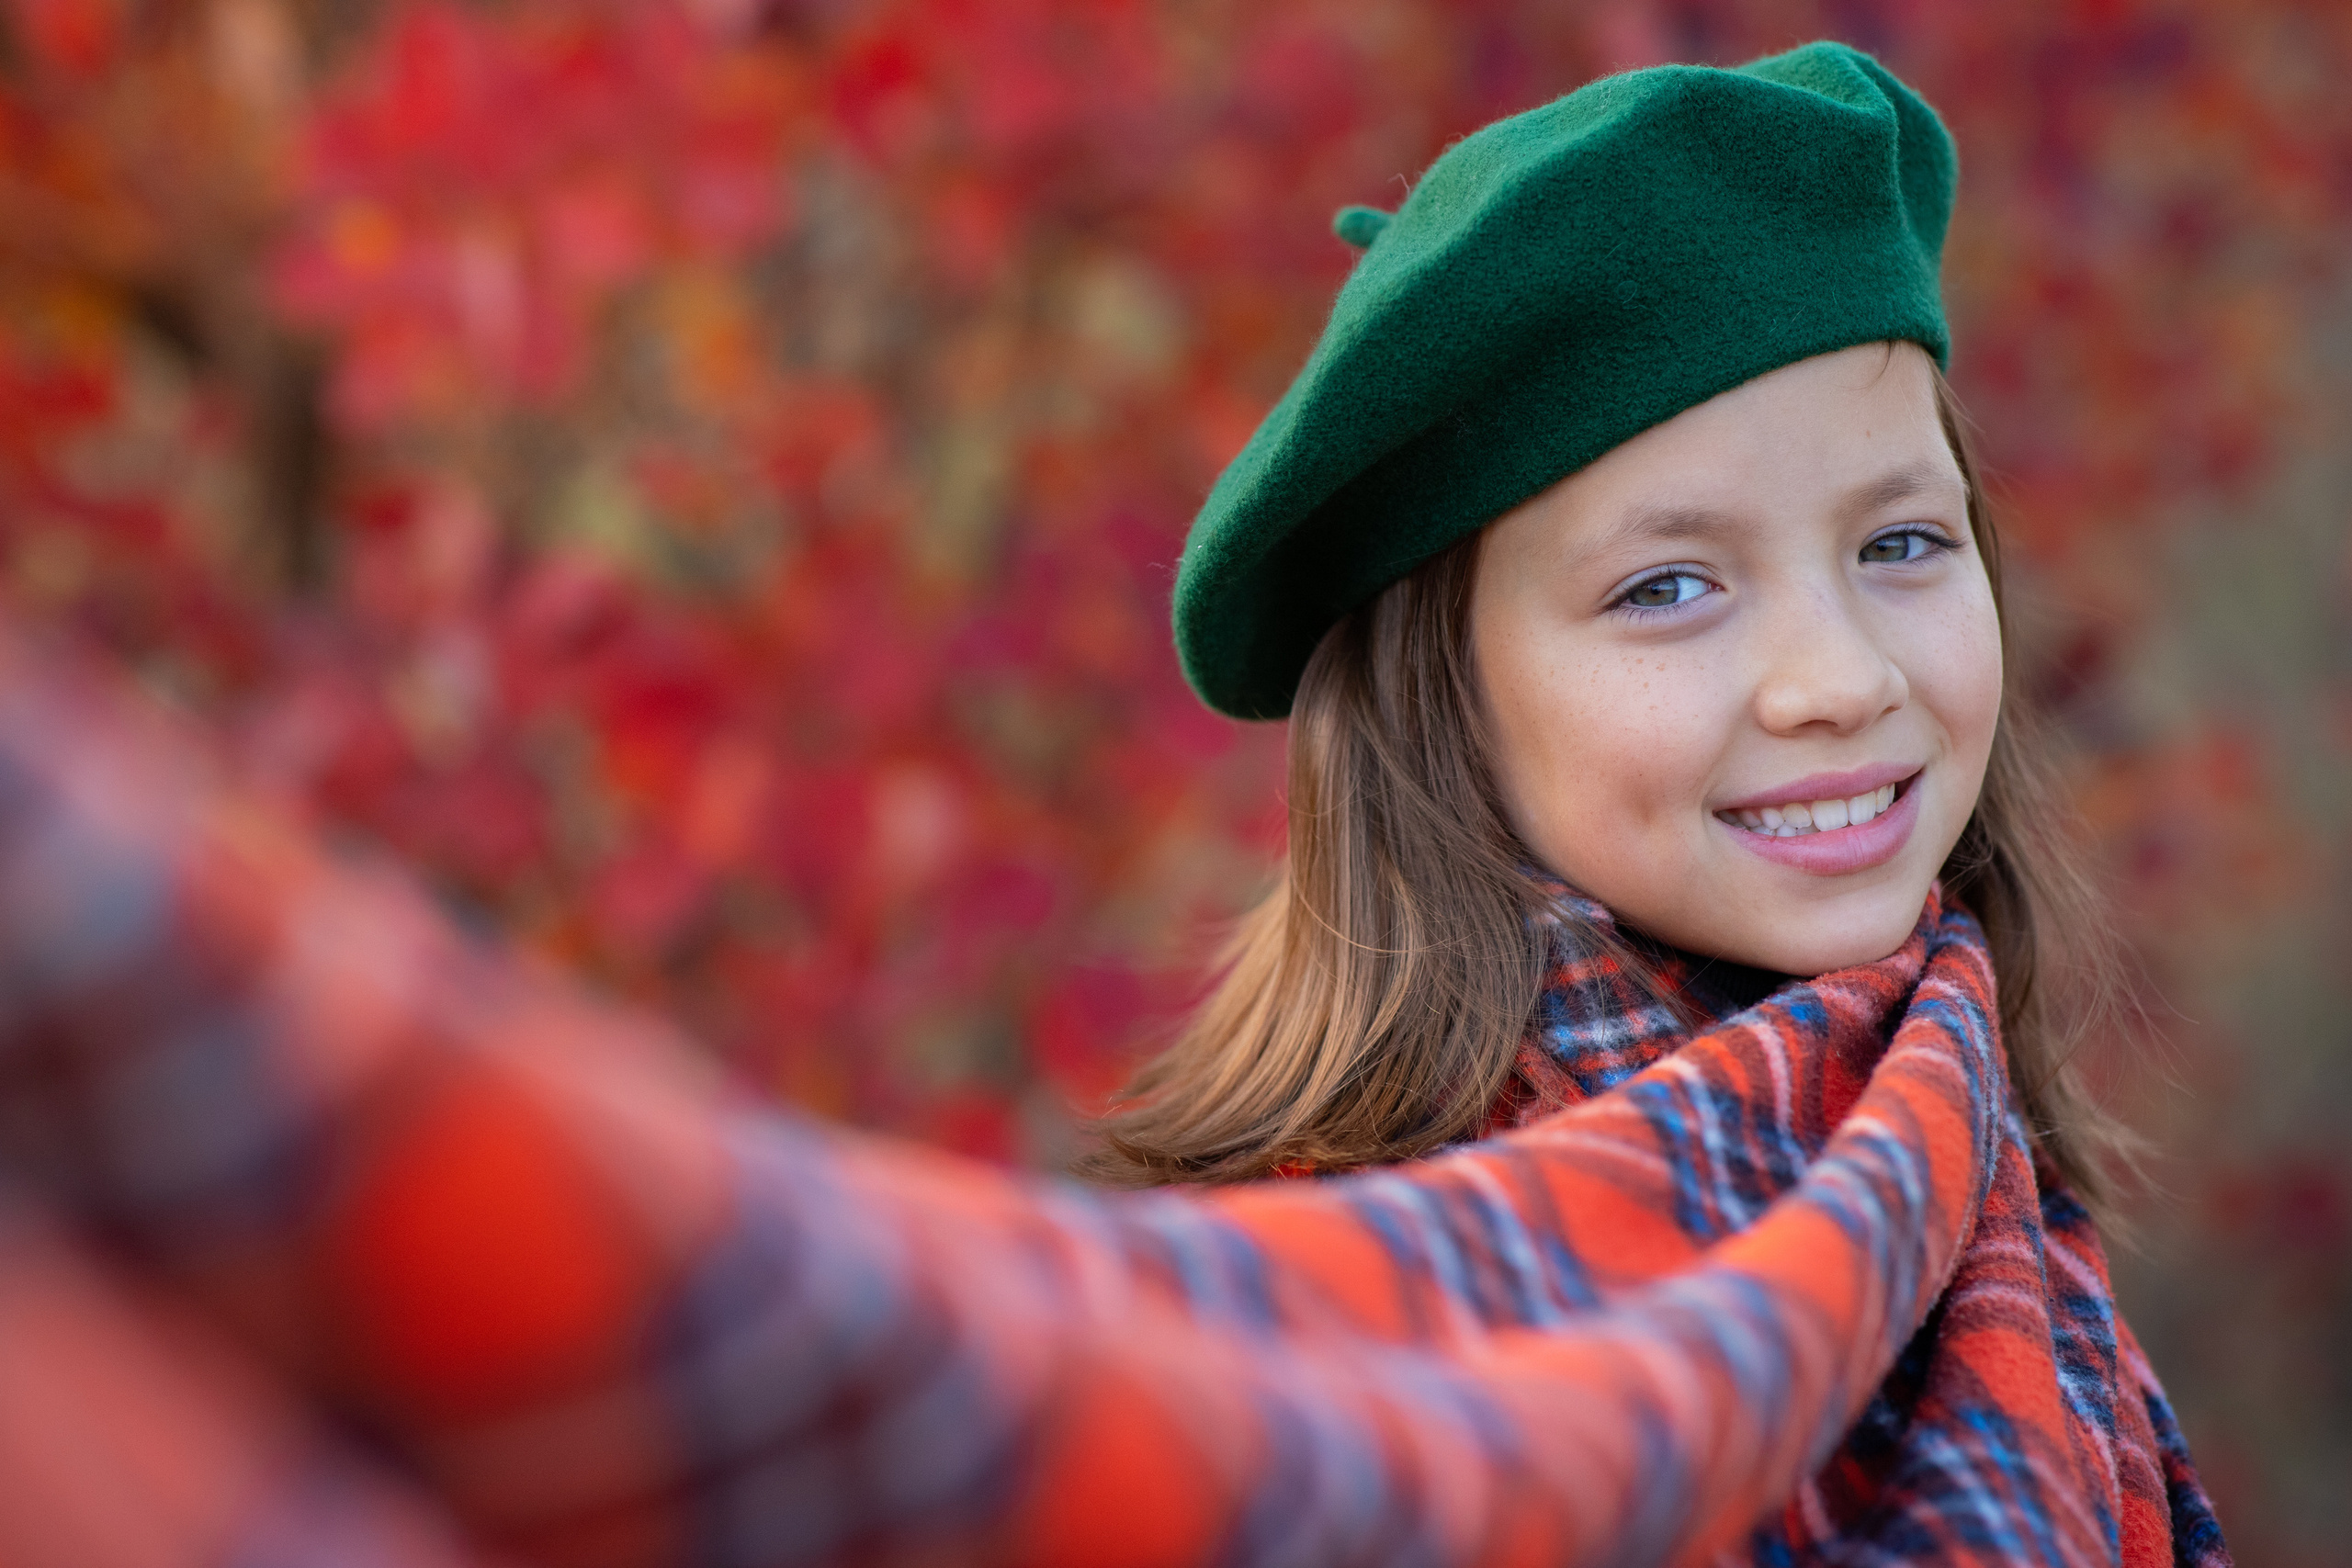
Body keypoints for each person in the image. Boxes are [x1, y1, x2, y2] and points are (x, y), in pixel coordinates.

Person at [0, 41, 2222, 1568]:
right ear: (1448, 702)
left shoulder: (1965, 1202)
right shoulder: (1338, 1326)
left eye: (1900, 541)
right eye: (1666, 585)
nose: (1837, 674)